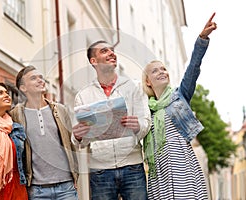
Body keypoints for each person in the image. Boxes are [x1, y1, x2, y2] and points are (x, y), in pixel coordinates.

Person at [142, 13, 217, 199]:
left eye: (163, 69)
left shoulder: (179, 96)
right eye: (155, 70)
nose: (162, 72)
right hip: (159, 171)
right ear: (148, 81)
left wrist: (202, 39)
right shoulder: (146, 109)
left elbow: (193, 68)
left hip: (183, 166)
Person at [72, 40, 151, 200]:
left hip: (132, 167)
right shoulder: (83, 95)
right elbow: (79, 141)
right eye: (104, 51)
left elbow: (146, 123)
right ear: (93, 61)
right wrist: (78, 136)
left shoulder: (134, 87)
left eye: (112, 50)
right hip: (100, 171)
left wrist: (137, 126)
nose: (111, 53)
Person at [10, 65, 79, 200]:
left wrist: (75, 174)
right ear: (23, 88)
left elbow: (70, 144)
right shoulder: (16, 114)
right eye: (34, 78)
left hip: (66, 186)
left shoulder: (60, 110)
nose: (40, 80)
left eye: (41, 77)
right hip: (37, 189)